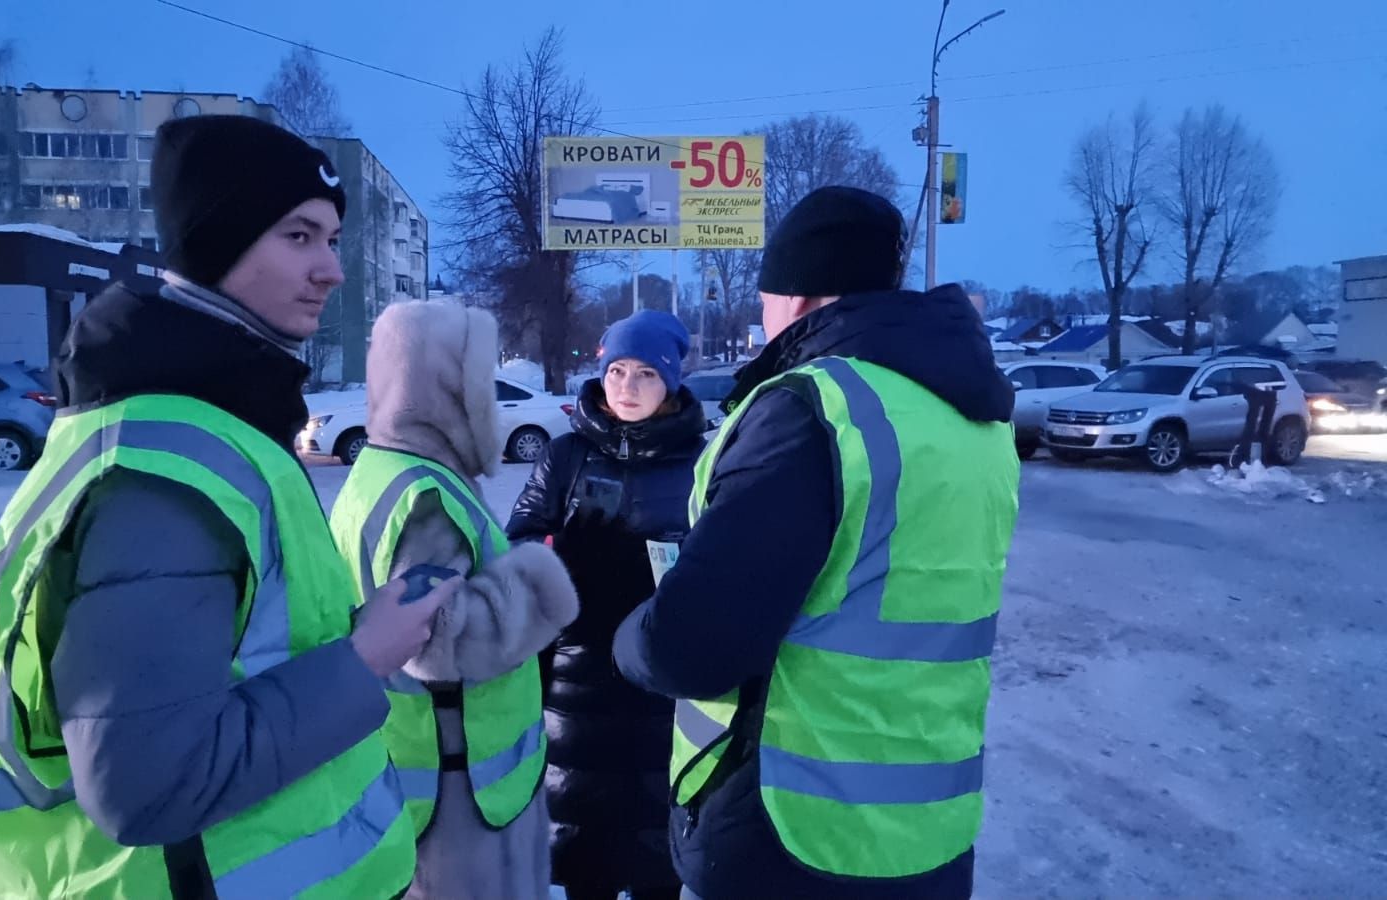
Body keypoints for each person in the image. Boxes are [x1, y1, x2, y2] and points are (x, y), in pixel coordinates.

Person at [0, 115, 456, 899]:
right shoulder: (165, 469)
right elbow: (146, 784)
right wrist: (366, 656)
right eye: (298, 237)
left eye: (331, 239)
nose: (330, 269)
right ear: (214, 242)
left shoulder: (210, 427)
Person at [612, 186, 1021, 900]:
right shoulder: (973, 419)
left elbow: (692, 647)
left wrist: (630, 636)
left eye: (767, 299)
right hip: (930, 833)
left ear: (797, 299)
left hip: (792, 838)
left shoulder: (812, 409)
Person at [330, 299, 581, 900]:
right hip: (460, 789)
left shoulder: (380, 471)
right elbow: (444, 641)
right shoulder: (424, 497)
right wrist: (542, 573)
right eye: (476, 378)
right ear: (444, 385)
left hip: (430, 769)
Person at [506, 310, 706, 900]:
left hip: (663, 682)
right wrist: (560, 556)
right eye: (617, 370)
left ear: (671, 380)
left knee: (655, 856)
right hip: (575, 680)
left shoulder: (701, 458)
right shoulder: (566, 454)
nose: (626, 386)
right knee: (584, 855)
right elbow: (516, 542)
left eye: (646, 373)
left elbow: (726, 551)